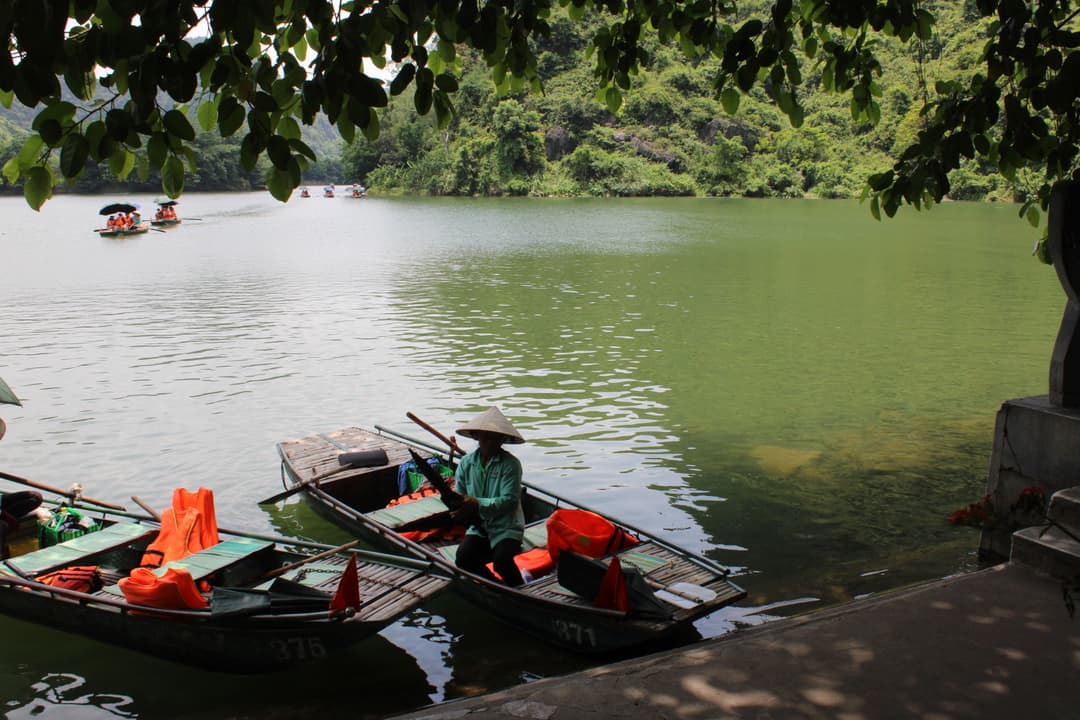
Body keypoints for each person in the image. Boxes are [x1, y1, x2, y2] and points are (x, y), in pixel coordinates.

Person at [450, 406, 527, 587]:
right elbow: (459, 497)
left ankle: (521, 590)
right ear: (477, 436)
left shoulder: (511, 465)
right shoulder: (466, 463)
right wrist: (457, 510)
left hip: (507, 527)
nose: (488, 441)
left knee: (502, 562)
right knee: (463, 559)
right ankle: (495, 588)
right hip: (478, 526)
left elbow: (509, 501)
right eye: (484, 435)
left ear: (502, 440)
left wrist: (476, 503)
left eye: (494, 437)